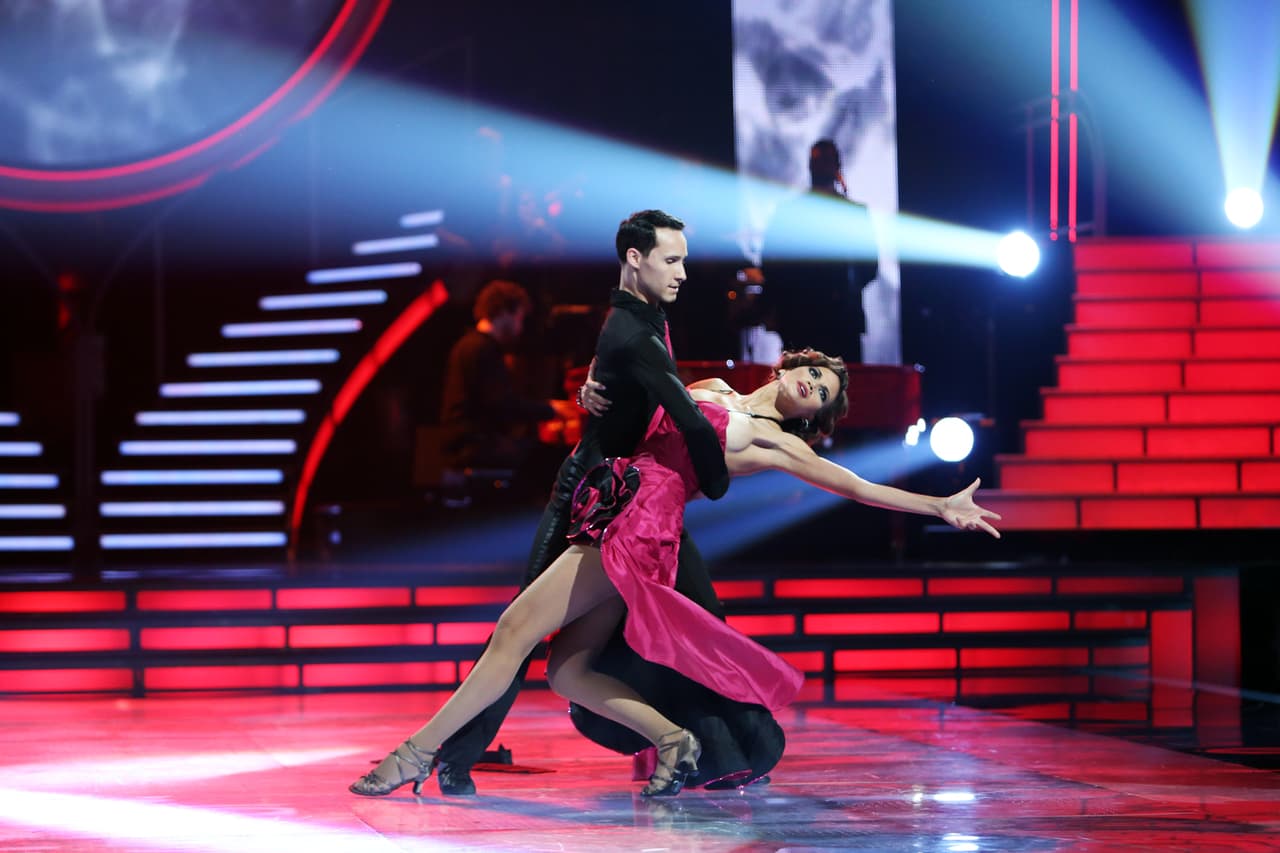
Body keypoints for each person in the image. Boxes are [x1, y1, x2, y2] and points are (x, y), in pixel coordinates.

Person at [349, 348, 1001, 799]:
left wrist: (938, 503)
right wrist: (591, 398)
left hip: (642, 525)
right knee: (568, 670)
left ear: (812, 416)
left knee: (514, 627)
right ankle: (673, 739)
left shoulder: (779, 440)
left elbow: (854, 484)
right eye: (813, 374)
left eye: (822, 395)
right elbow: (638, 413)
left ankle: (415, 753)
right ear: (790, 363)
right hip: (611, 501)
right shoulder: (713, 389)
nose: (812, 387)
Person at [425, 210, 740, 796]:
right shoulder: (631, 326)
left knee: (692, 617)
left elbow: (632, 387)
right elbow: (683, 412)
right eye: (672, 261)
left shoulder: (640, 319)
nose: (684, 273)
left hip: (625, 493)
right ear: (634, 259)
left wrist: (594, 387)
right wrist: (716, 478)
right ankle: (457, 755)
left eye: (684, 260)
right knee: (519, 629)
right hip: (590, 491)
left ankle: (716, 743)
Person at [438, 279, 577, 479]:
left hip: (462, 442)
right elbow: (501, 404)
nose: (519, 328)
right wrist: (550, 409)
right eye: (519, 318)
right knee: (555, 459)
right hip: (474, 445)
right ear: (503, 312)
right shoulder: (484, 348)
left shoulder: (466, 344)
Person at [761, 138, 878, 363]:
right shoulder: (852, 213)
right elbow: (869, 268)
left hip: (808, 320)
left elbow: (771, 265)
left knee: (806, 390)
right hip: (824, 320)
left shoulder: (788, 213)